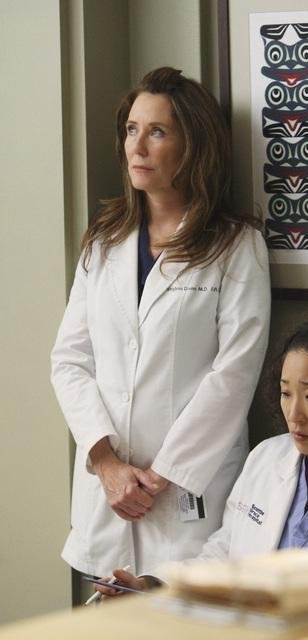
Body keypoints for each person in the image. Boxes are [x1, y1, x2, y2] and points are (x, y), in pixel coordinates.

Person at [51, 66, 271, 579]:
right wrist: (107, 465)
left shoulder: (236, 246)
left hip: (186, 499)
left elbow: (235, 375)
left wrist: (161, 476)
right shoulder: (103, 241)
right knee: (110, 612)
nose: (137, 146)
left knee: (183, 610)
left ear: (193, 145)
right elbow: (69, 360)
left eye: (157, 132)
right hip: (107, 494)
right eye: (132, 129)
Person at [99, 315, 308, 596]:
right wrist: (150, 585)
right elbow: (224, 555)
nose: (294, 414)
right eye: (286, 393)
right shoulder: (265, 458)